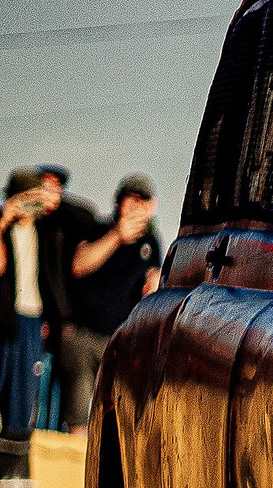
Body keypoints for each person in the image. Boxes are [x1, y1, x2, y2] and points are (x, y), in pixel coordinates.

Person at [56, 173, 163, 429]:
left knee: (113, 417)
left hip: (119, 341)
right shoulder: (97, 228)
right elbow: (79, 265)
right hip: (82, 334)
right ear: (118, 201)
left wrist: (156, 283)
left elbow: (153, 279)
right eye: (131, 199)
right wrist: (117, 236)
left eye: (143, 200)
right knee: (78, 413)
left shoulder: (151, 243)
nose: (136, 205)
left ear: (151, 206)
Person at [0, 168, 55, 432]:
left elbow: (85, 219)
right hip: (5, 318)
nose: (29, 206)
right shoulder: (4, 227)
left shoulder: (47, 231)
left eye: (35, 198)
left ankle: (14, 463)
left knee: (24, 395)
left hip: (34, 318)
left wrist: (54, 202)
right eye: (24, 198)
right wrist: (4, 220)